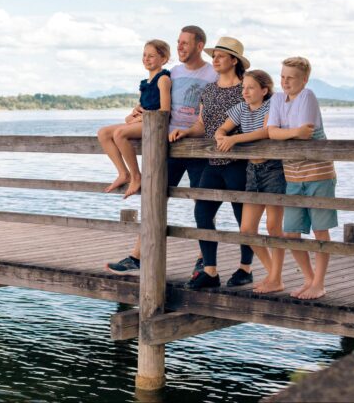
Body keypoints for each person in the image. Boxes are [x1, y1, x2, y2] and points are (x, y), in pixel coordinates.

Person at [105, 26, 217, 275]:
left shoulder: (213, 73)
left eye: (185, 43)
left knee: (203, 204)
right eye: (178, 42)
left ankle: (205, 257)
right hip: (169, 144)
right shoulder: (173, 73)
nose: (180, 47)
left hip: (199, 146)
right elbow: (155, 100)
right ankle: (137, 256)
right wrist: (137, 111)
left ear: (199, 46)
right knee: (153, 197)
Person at [169, 36, 255, 289]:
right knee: (202, 212)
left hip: (239, 162)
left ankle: (245, 268)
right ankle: (210, 271)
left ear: (234, 60)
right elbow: (202, 124)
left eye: (220, 56)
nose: (215, 60)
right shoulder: (209, 89)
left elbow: (258, 120)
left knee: (243, 218)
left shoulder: (245, 90)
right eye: (214, 56)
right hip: (213, 162)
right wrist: (186, 132)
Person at [267, 56, 338, 300]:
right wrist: (292, 132)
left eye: (291, 78)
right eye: (282, 77)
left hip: (319, 174)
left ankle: (319, 283)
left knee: (320, 230)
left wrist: (285, 132)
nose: (285, 82)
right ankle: (309, 279)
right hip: (293, 175)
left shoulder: (307, 96)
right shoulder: (277, 99)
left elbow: (305, 134)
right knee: (291, 232)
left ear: (304, 79)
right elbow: (271, 132)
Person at [215, 69, 286, 293]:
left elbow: (265, 132)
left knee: (274, 227)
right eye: (243, 87)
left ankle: (275, 278)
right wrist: (221, 136)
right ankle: (274, 275)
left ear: (264, 90)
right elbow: (223, 128)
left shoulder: (272, 105)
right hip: (252, 170)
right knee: (247, 229)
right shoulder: (241, 108)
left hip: (273, 170)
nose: (245, 92)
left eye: (251, 88)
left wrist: (234, 138)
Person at [97, 39, 172, 200]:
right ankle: (123, 173)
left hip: (156, 124)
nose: (146, 59)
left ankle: (136, 176)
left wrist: (140, 118)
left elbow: (165, 111)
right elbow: (139, 109)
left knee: (119, 134)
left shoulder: (163, 79)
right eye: (144, 55)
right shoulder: (144, 84)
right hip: (143, 121)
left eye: (151, 56)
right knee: (103, 133)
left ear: (163, 59)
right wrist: (133, 114)